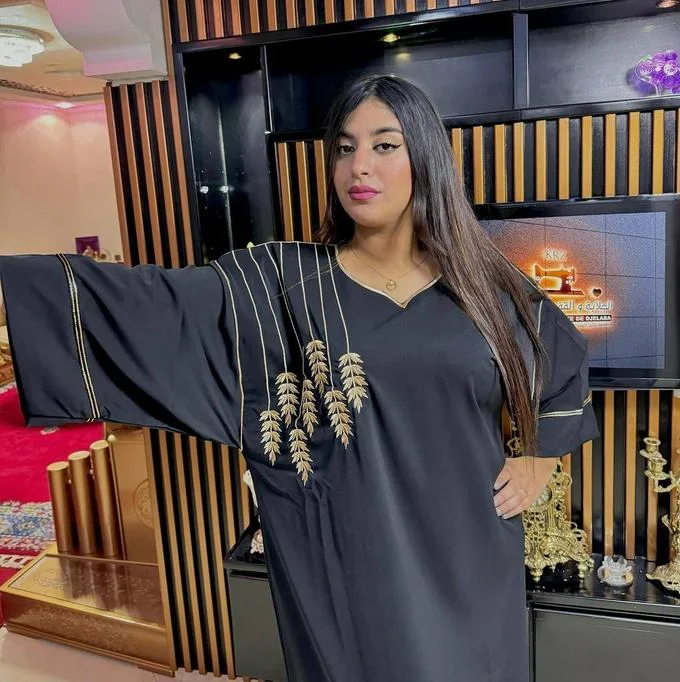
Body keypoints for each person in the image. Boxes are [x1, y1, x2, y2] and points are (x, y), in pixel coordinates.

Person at [0, 74, 599, 681]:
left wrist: (541, 457)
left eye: (384, 145)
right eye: (344, 147)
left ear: (426, 158)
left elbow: (561, 362)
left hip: (470, 551)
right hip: (350, 563)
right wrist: (15, 286)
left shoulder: (483, 284)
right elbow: (149, 306)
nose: (359, 166)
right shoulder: (280, 287)